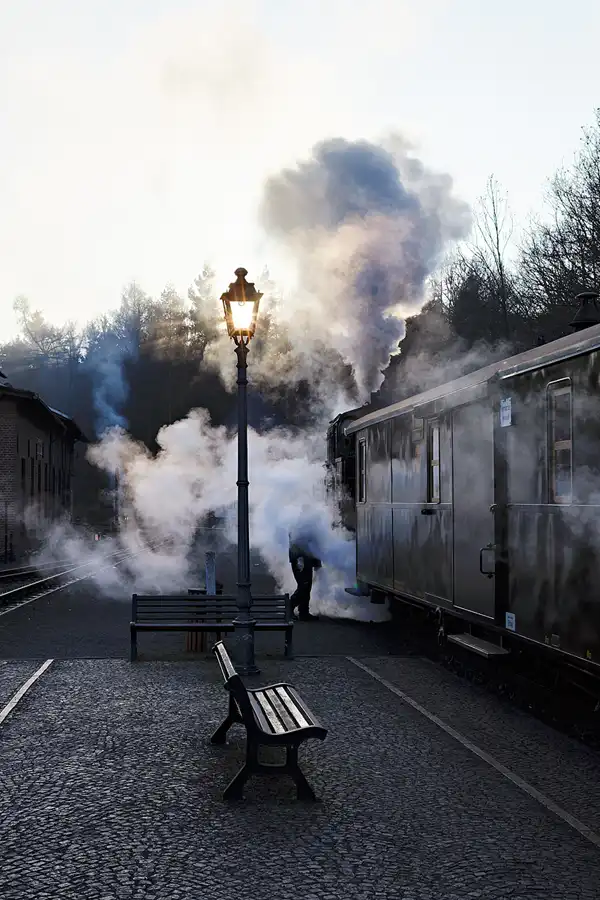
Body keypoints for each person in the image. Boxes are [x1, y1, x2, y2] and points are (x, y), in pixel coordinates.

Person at [289, 532, 322, 621]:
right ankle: (289, 607)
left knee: (307, 587)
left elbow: (315, 542)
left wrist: (317, 562)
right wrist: (298, 558)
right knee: (303, 586)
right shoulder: (298, 521)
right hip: (300, 560)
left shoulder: (312, 523)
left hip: (308, 560)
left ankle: (304, 612)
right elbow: (295, 539)